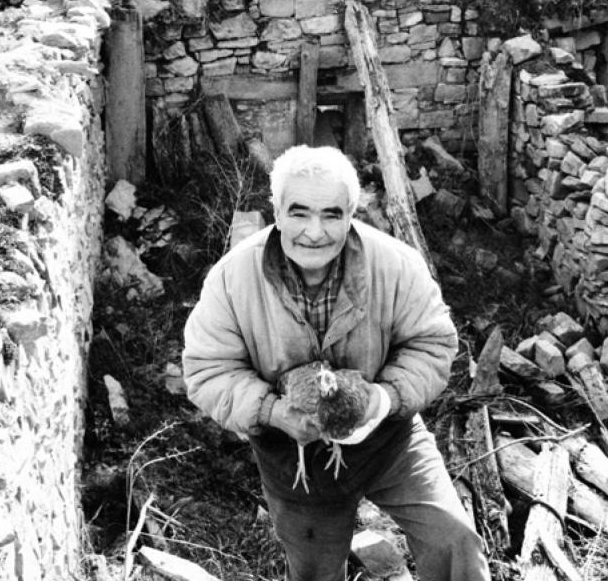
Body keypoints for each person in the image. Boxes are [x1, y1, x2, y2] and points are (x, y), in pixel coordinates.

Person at [182, 145, 490, 581]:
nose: (315, 232)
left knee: (454, 541)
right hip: (293, 457)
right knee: (314, 573)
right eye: (299, 213)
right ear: (276, 212)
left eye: (331, 214)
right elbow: (209, 370)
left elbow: (432, 343)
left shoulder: (397, 265)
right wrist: (273, 412)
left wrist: (383, 400)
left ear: (351, 214)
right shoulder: (233, 278)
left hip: (389, 441)